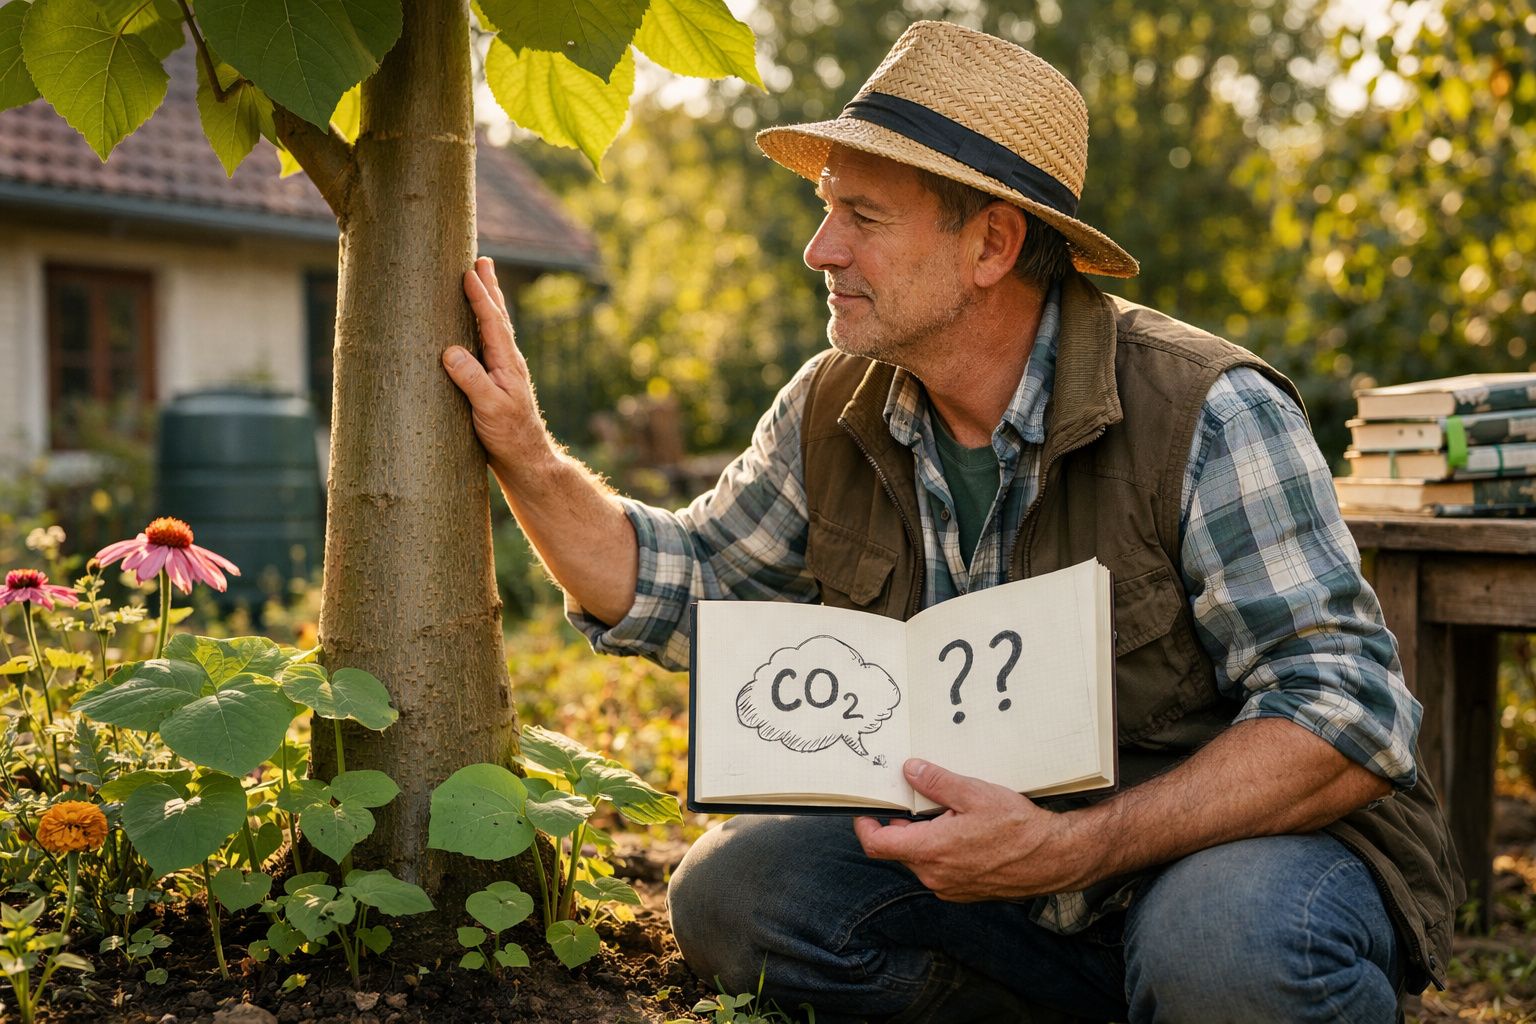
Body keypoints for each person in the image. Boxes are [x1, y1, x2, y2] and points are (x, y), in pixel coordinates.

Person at [443, 20, 1461, 1024]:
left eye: (864, 216)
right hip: (1003, 878)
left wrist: (1076, 845)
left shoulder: (1209, 412)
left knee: (1224, 950)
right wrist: (525, 455)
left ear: (992, 243)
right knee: (737, 896)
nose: (819, 248)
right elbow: (690, 585)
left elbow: (1345, 713)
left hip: (1223, 855)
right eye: (824, 207)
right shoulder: (831, 405)